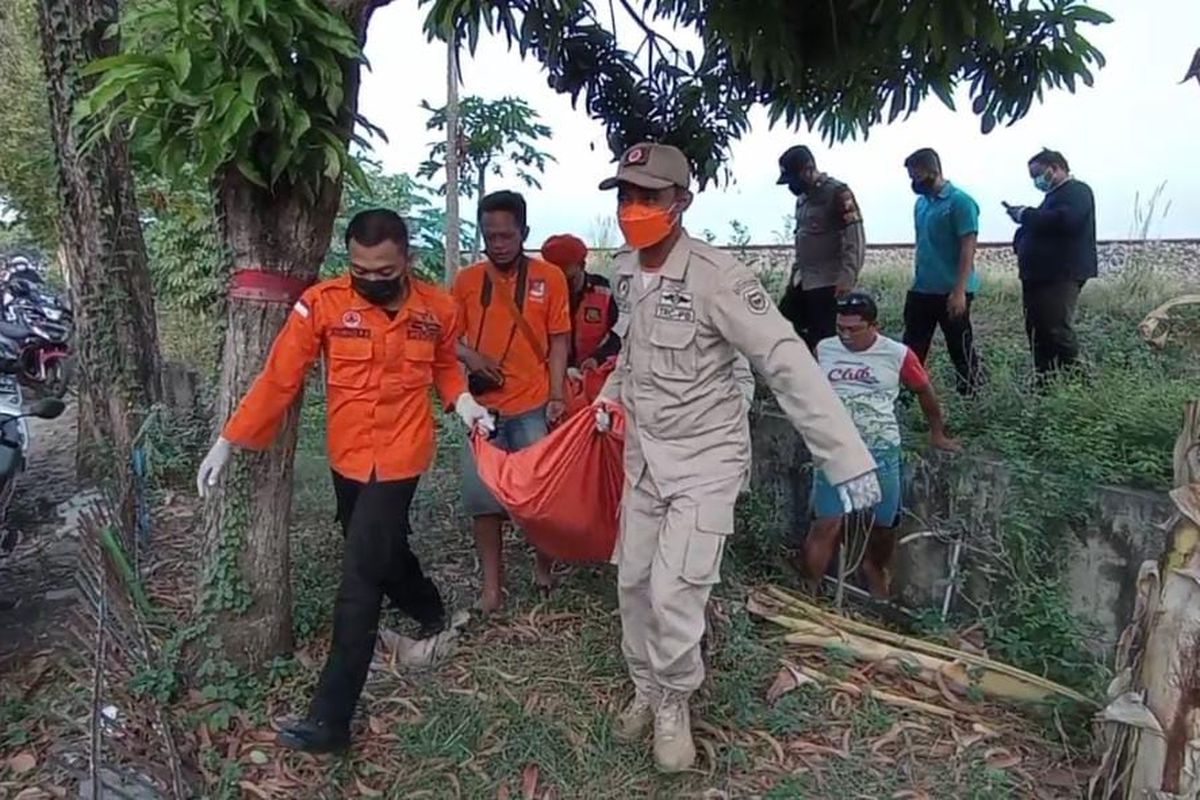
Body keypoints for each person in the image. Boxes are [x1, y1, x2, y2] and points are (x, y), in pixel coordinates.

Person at [593, 142, 880, 773]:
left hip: (705, 460)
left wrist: (846, 458)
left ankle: (674, 704)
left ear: (681, 203)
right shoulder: (624, 270)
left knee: (676, 593)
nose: (633, 209)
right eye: (625, 196)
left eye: (649, 197)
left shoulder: (719, 278)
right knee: (634, 584)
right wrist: (611, 396)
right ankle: (645, 687)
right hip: (644, 457)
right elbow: (631, 350)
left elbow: (784, 359)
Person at [194, 209, 493, 753]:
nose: (371, 280)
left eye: (383, 271)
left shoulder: (438, 309)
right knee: (371, 544)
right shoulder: (324, 304)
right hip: (349, 453)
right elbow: (280, 375)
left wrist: (464, 401)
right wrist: (229, 439)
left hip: (401, 455)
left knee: (359, 581)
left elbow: (446, 365)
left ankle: (331, 718)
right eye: (360, 269)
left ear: (407, 260)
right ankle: (427, 606)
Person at [454, 191, 571, 613]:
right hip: (483, 410)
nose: (498, 244)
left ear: (524, 232)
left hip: (534, 403)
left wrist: (557, 395)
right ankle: (492, 591)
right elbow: (448, 339)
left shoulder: (550, 278)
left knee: (541, 498)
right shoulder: (467, 281)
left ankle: (544, 568)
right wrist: (473, 358)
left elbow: (560, 341)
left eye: (506, 235)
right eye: (490, 236)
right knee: (483, 502)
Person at [803, 291, 960, 598]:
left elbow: (924, 391)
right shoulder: (825, 349)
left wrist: (937, 433)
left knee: (883, 522)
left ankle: (873, 568)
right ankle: (808, 589)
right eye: (841, 328)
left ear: (874, 326)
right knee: (827, 522)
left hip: (880, 449)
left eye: (854, 329)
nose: (846, 335)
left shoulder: (896, 354)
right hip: (835, 449)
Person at [1006, 149, 1097, 376]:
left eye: (1038, 174)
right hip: (1039, 275)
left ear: (1055, 168)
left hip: (1060, 275)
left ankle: (1078, 382)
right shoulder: (1052, 198)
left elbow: (1066, 221)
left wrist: (1026, 215)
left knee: (1056, 329)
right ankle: (1046, 380)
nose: (1036, 181)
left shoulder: (1077, 192)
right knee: (1038, 331)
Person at [902, 148, 985, 396]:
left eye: (916, 176)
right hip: (922, 288)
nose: (913, 182)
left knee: (960, 348)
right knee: (912, 348)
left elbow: (967, 248)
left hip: (952, 289)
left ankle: (971, 396)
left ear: (933, 171)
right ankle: (906, 396)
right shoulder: (921, 203)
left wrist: (959, 291)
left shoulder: (961, 202)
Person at [775, 145, 866, 350]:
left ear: (808, 170)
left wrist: (848, 277)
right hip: (804, 282)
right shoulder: (802, 198)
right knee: (782, 327)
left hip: (828, 284)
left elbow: (855, 236)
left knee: (824, 341)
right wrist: (793, 279)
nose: (791, 186)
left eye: (793, 179)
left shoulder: (838, 193)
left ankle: (824, 378)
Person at [539, 233, 621, 370]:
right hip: (552, 374)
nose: (561, 285)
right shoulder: (539, 296)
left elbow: (618, 333)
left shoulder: (605, 291)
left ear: (582, 265)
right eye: (555, 279)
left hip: (594, 373)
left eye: (567, 279)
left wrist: (597, 358)